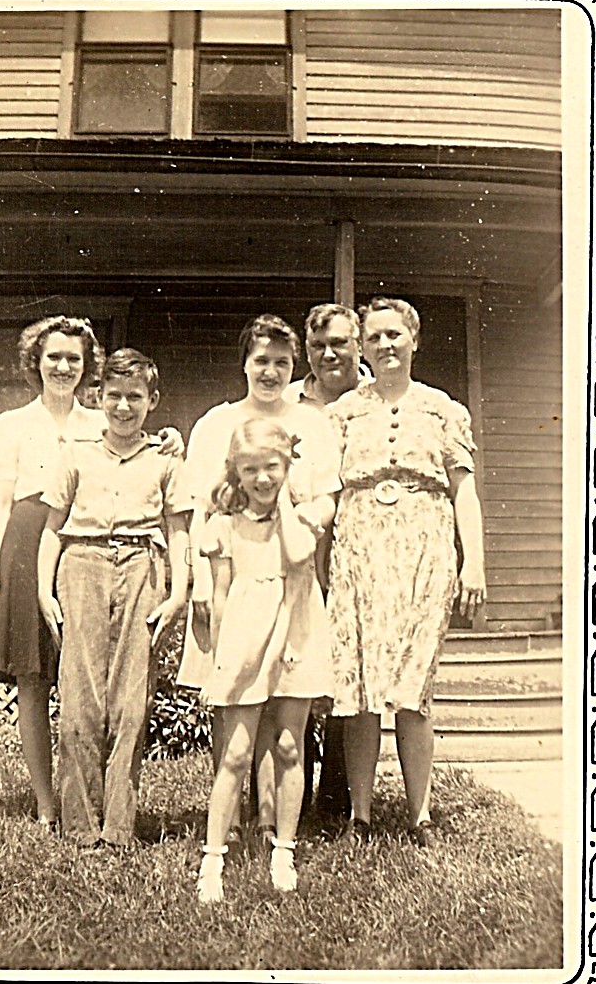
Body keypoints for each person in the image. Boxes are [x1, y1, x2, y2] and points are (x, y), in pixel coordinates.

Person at [0, 317, 180, 832]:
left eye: (74, 358)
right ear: (36, 362)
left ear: (88, 367)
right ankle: (49, 802)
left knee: (90, 677)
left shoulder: (98, 420)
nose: (63, 367)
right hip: (28, 542)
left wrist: (172, 441)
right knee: (34, 675)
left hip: (83, 546)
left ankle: (103, 806)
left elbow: (134, 448)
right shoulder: (9, 425)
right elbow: (0, 504)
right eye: (54, 357)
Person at [326, 296, 486, 846]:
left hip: (426, 550)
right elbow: (321, 489)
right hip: (359, 550)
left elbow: (464, 492)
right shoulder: (343, 412)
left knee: (414, 688)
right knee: (361, 686)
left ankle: (420, 815)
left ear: (414, 339)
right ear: (363, 348)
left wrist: (474, 563)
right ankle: (361, 815)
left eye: (394, 334)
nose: (385, 345)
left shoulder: (443, 409)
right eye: (374, 337)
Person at [177, 314, 340, 853]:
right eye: (261, 361)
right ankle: (228, 820)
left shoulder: (312, 422)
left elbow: (327, 496)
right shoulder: (217, 423)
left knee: (282, 699)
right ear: (244, 363)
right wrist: (202, 581)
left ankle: (271, 821)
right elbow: (201, 510)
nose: (271, 372)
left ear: (294, 367)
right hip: (232, 576)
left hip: (290, 572)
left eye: (282, 363)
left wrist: (302, 519)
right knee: (233, 699)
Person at [37, 349, 191, 849]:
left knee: (130, 700)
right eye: (115, 396)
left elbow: (179, 530)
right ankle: (80, 828)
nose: (124, 407)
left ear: (152, 400)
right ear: (99, 396)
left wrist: (178, 592)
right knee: (80, 698)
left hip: (142, 566)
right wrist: (43, 589)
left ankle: (119, 828)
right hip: (81, 564)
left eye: (135, 397)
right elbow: (52, 529)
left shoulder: (165, 458)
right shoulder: (76, 454)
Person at [196, 419, 334, 903]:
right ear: (235, 470)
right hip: (244, 640)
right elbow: (220, 598)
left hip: (295, 636)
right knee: (236, 753)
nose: (262, 478)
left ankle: (283, 851)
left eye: (272, 467)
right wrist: (220, 659)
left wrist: (288, 502)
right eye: (250, 469)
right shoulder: (223, 526)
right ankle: (213, 859)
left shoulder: (302, 523)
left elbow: (297, 560)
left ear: (287, 466)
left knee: (290, 746)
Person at [283, 302, 372, 821]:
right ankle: (284, 794)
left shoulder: (378, 398)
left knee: (349, 664)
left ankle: (337, 796)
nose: (329, 354)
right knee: (296, 661)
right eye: (318, 346)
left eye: (339, 343)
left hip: (361, 542)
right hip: (302, 537)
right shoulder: (289, 401)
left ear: (357, 344)